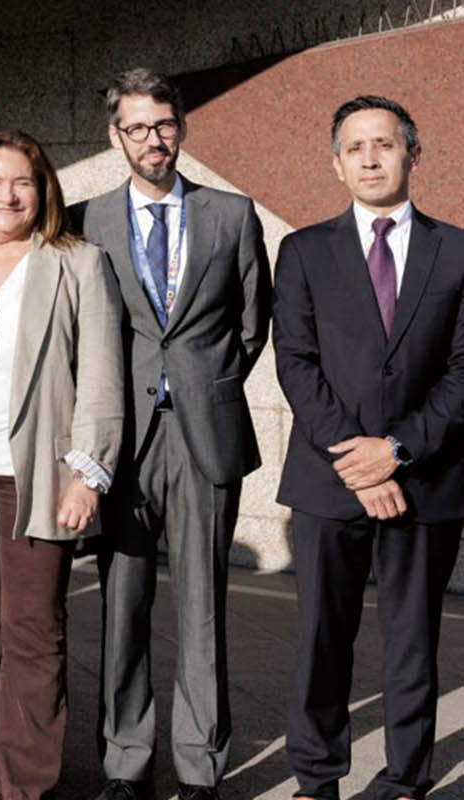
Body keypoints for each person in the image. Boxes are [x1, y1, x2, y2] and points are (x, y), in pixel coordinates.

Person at [71, 68, 271, 800]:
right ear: (115, 135)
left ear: (180, 127)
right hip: (122, 442)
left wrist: (202, 386)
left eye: (163, 125)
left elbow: (252, 324)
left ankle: (199, 764)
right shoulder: (87, 219)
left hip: (205, 435)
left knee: (203, 609)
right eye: (136, 127)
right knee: (121, 607)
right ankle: (125, 761)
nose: (152, 139)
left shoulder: (232, 214)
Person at [273, 95, 464, 800]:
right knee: (323, 639)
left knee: (413, 642)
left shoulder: (458, 251)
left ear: (414, 154)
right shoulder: (302, 251)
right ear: (335, 164)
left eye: (385, 144)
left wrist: (398, 451)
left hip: (427, 478)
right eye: (356, 147)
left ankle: (405, 778)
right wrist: (358, 460)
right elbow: (295, 362)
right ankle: (316, 779)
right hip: (329, 482)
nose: (372, 157)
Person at [0, 130, 124, 800]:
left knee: (34, 635)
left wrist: (86, 474)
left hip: (40, 478)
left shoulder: (77, 262)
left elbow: (101, 377)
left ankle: (27, 788)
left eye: (23, 182)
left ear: (43, 191)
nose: (7, 195)